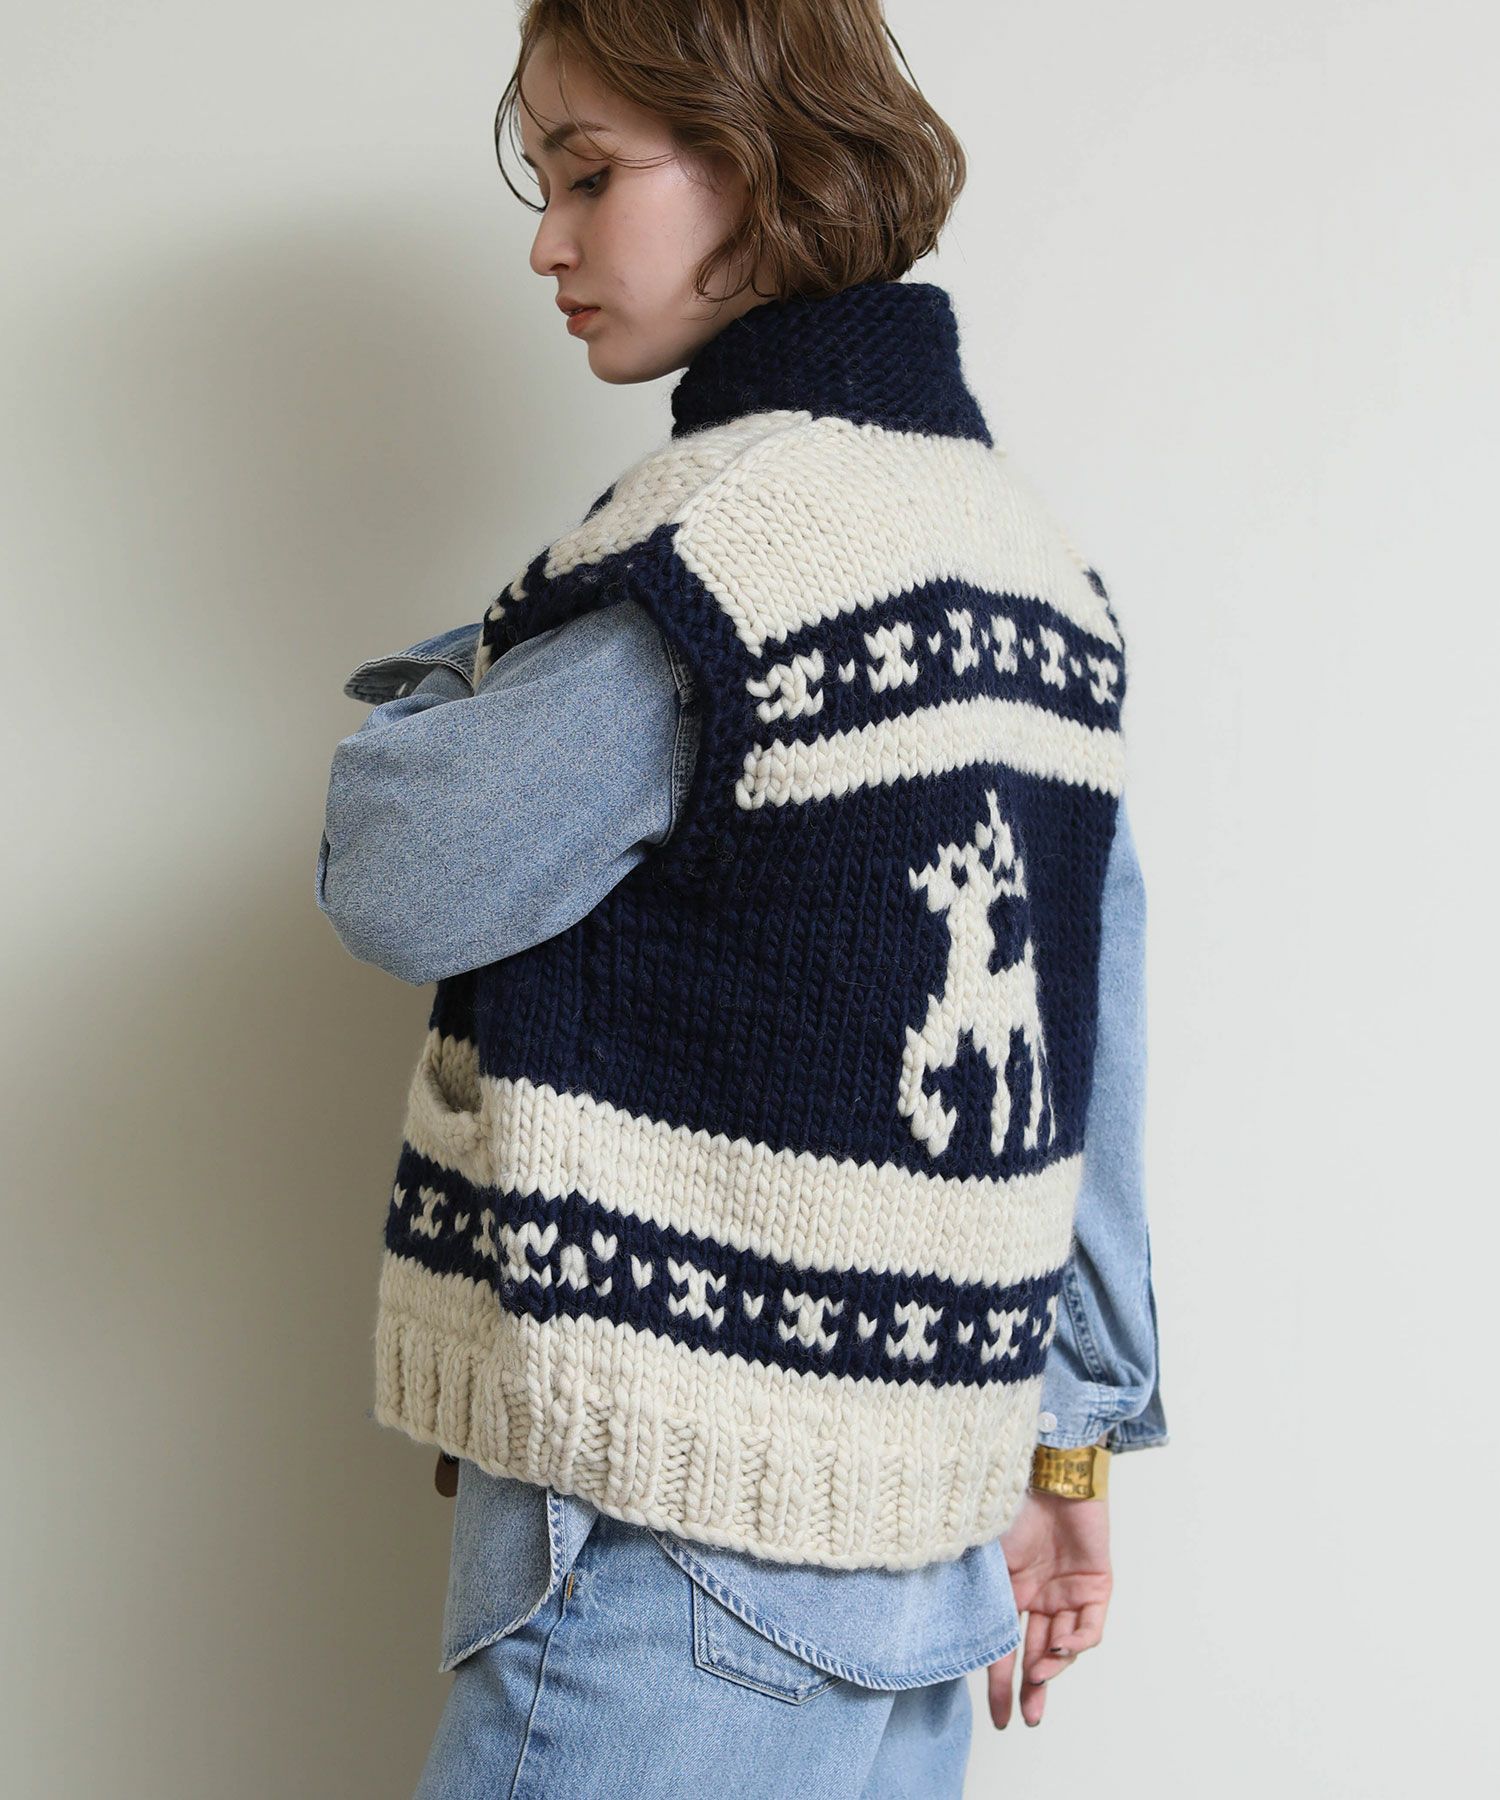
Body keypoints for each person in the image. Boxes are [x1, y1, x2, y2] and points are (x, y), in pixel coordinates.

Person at [315, 4, 1168, 1793]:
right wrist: (1069, 1447)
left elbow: (397, 871)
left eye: (588, 176)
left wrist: (496, 649)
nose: (547, 244)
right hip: (928, 1554)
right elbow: (1084, 1060)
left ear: (760, 158)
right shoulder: (1040, 573)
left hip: (671, 1543)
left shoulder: (716, 559)